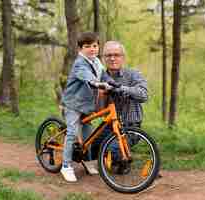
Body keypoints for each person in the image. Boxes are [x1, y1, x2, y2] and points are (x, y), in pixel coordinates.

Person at [60, 32, 112, 182]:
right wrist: (96, 83)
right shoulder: (79, 63)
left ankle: (88, 161)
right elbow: (86, 76)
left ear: (98, 47)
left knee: (88, 135)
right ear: (80, 49)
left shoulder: (96, 61)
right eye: (87, 46)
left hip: (87, 105)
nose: (92, 49)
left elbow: (103, 75)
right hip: (73, 104)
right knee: (72, 132)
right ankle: (66, 166)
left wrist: (111, 83)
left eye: (95, 46)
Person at [91, 41, 148, 172]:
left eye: (116, 55)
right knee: (88, 149)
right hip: (109, 125)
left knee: (112, 150)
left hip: (130, 126)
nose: (112, 58)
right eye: (108, 55)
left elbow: (144, 95)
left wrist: (119, 88)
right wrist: (100, 96)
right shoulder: (100, 78)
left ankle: (122, 162)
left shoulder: (133, 74)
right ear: (103, 58)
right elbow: (98, 110)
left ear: (123, 57)